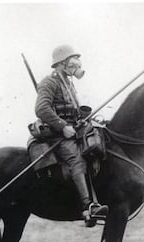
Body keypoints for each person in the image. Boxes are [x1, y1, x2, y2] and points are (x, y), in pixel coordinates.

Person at [35, 44, 108, 227]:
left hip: (74, 129)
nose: (76, 67)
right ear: (62, 63)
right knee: (76, 159)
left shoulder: (68, 83)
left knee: (95, 147)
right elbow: (41, 108)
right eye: (72, 62)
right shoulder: (49, 82)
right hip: (57, 134)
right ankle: (87, 207)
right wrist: (62, 126)